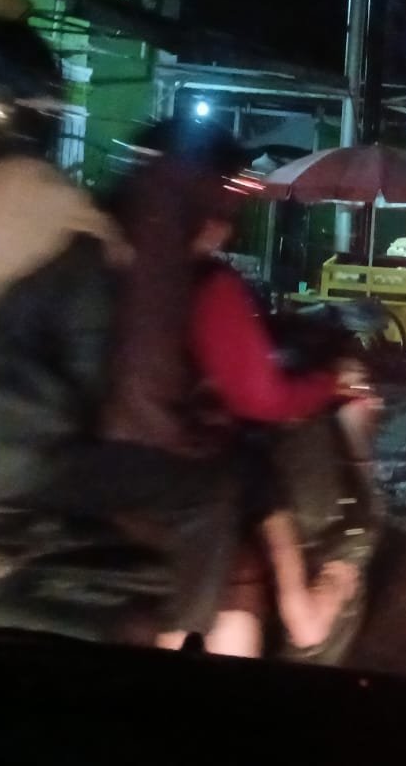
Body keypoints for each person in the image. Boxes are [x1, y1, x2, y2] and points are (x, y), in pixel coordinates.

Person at [0, 19, 239, 651]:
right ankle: (179, 647)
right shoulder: (60, 212)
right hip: (8, 468)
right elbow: (91, 372)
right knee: (210, 495)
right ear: (40, 113)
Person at [105, 119, 376, 657]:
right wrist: (330, 384)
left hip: (85, 473)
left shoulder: (102, 257)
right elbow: (262, 399)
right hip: (172, 473)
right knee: (253, 496)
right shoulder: (202, 283)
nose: (228, 223)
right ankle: (304, 611)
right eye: (226, 196)